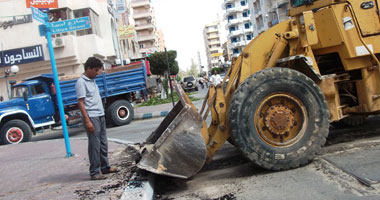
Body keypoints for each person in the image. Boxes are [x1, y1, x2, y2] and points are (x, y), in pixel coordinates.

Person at [75, 57, 118, 180]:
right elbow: (81, 103)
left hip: (100, 114)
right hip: (91, 116)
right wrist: (87, 121)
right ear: (88, 69)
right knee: (95, 144)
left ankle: (105, 167)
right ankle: (94, 172)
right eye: (96, 70)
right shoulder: (81, 83)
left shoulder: (92, 80)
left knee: (103, 142)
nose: (98, 73)